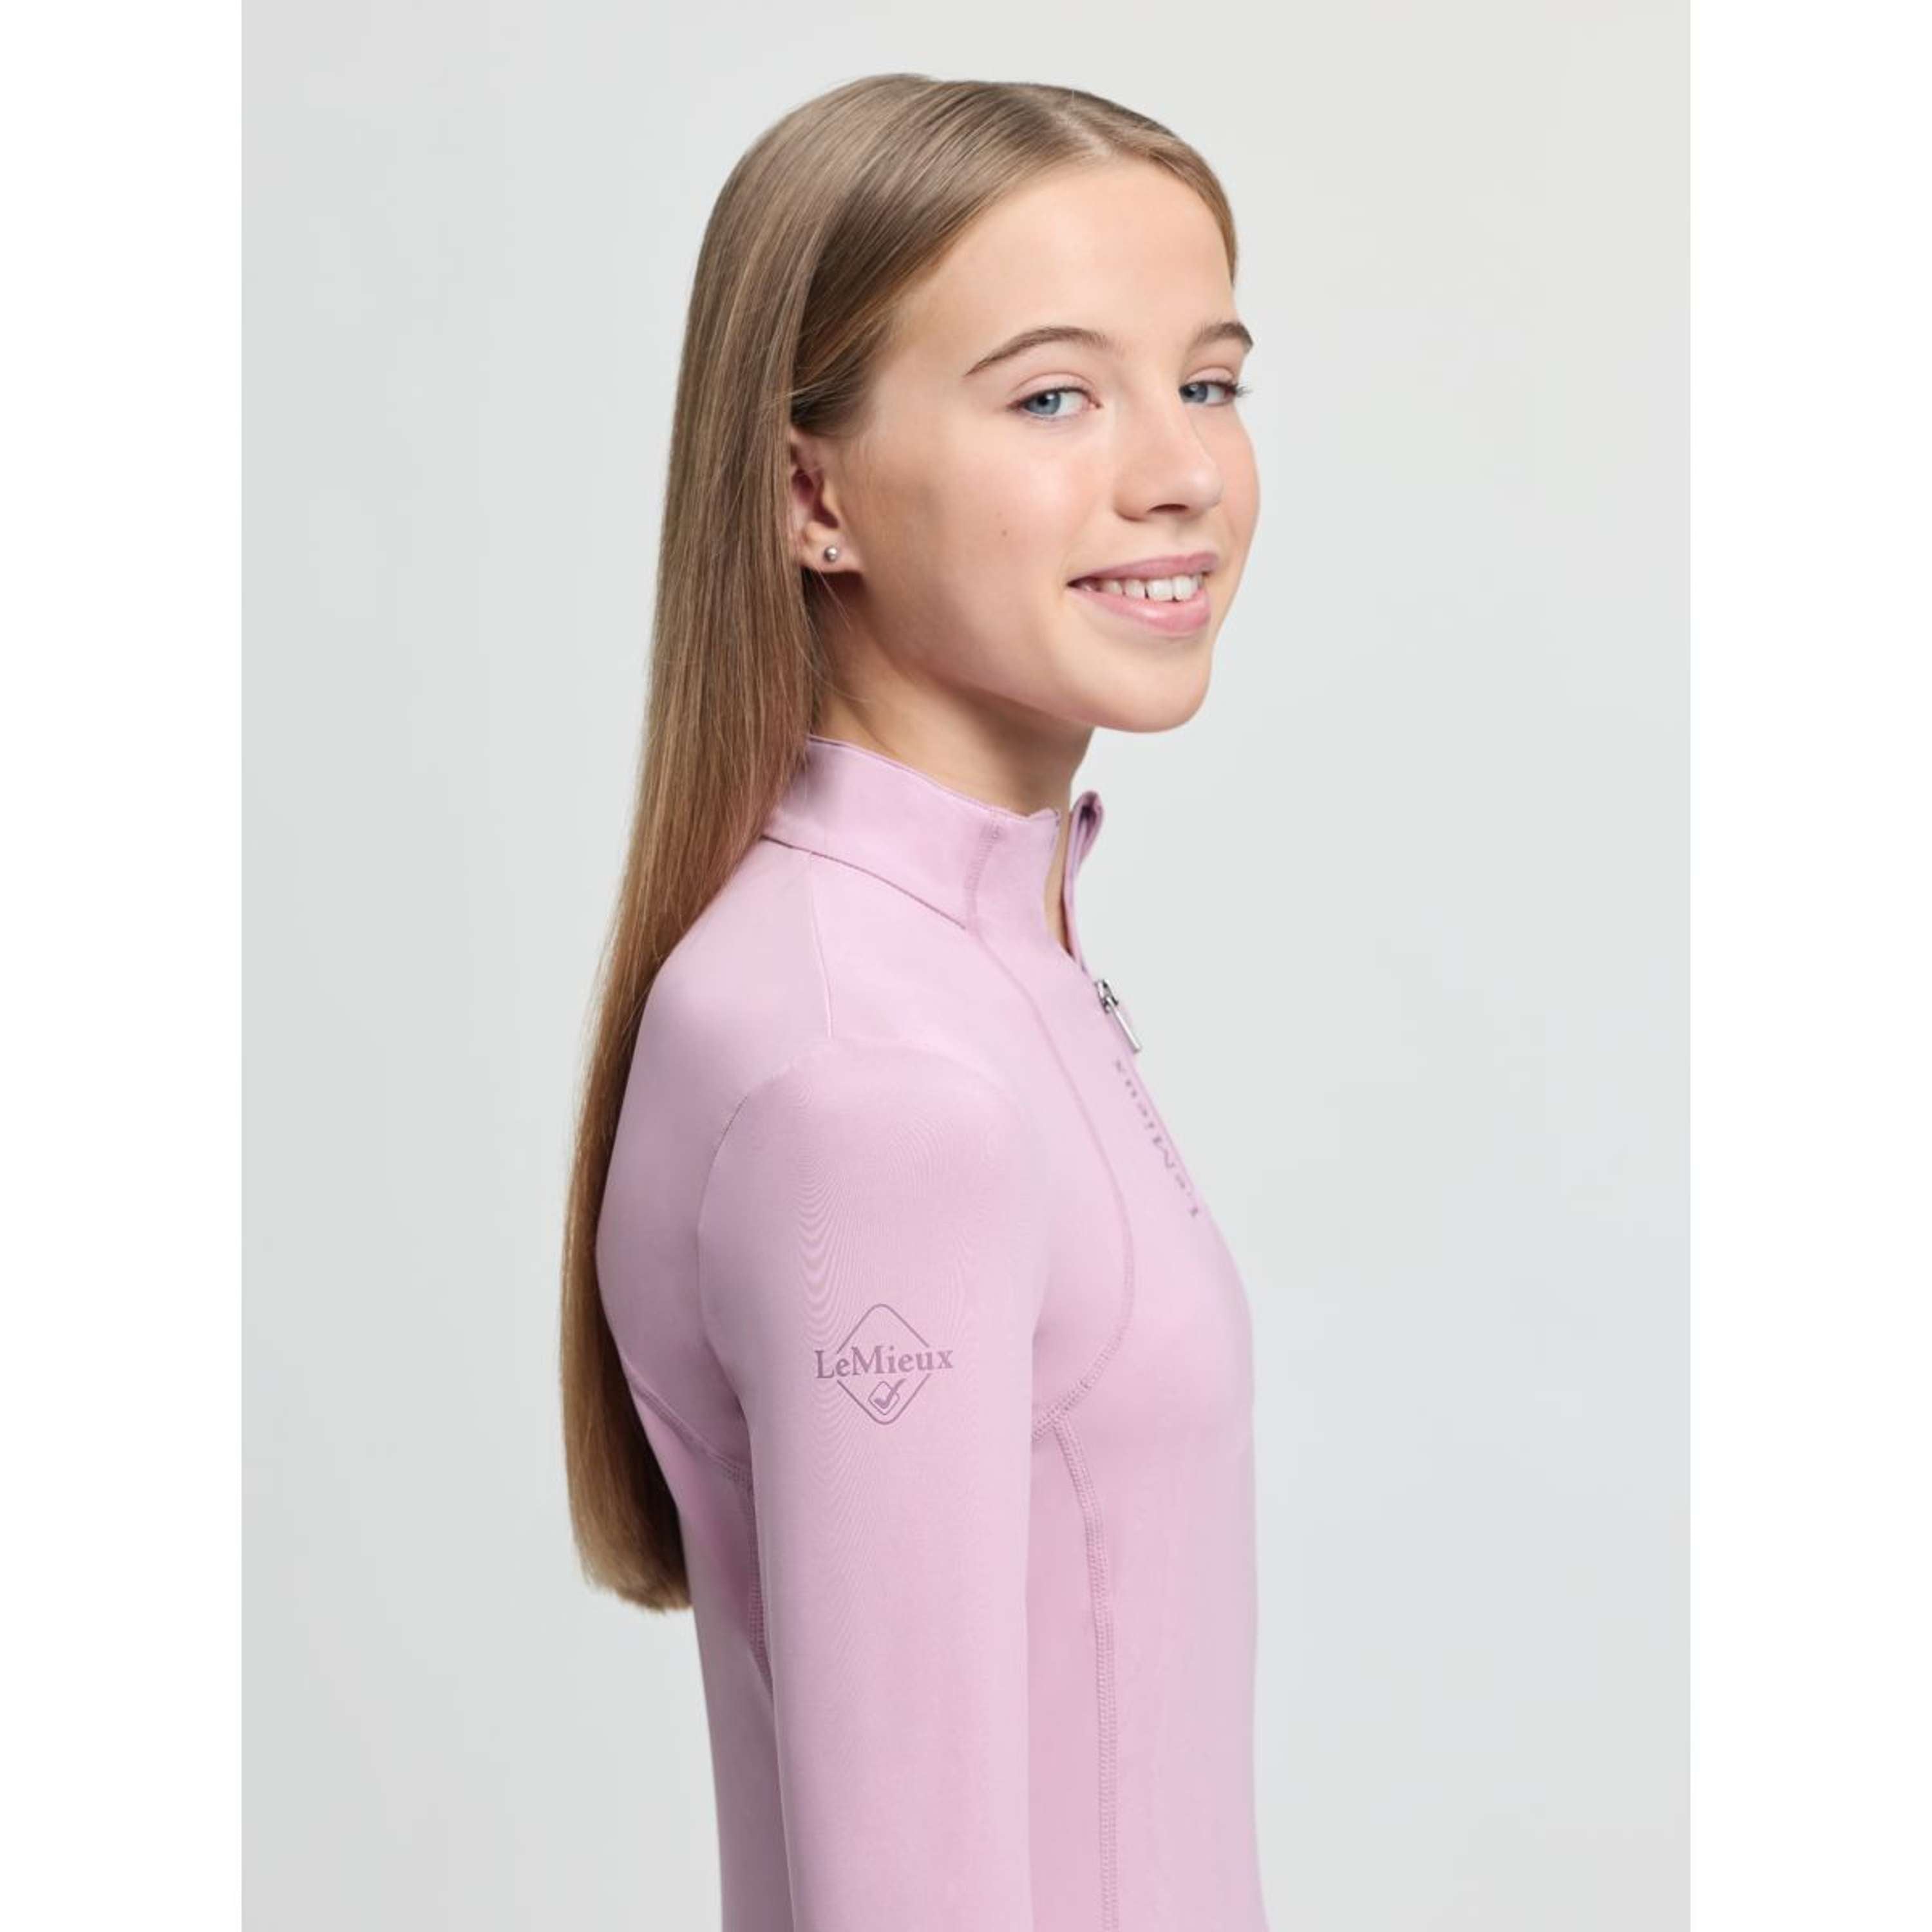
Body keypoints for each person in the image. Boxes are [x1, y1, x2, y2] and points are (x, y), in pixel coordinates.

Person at [562, 72, 1266, 1931]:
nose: (1184, 471)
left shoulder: (947, 965)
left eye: (1208, 381)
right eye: (1055, 396)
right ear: (815, 496)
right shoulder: (875, 1081)